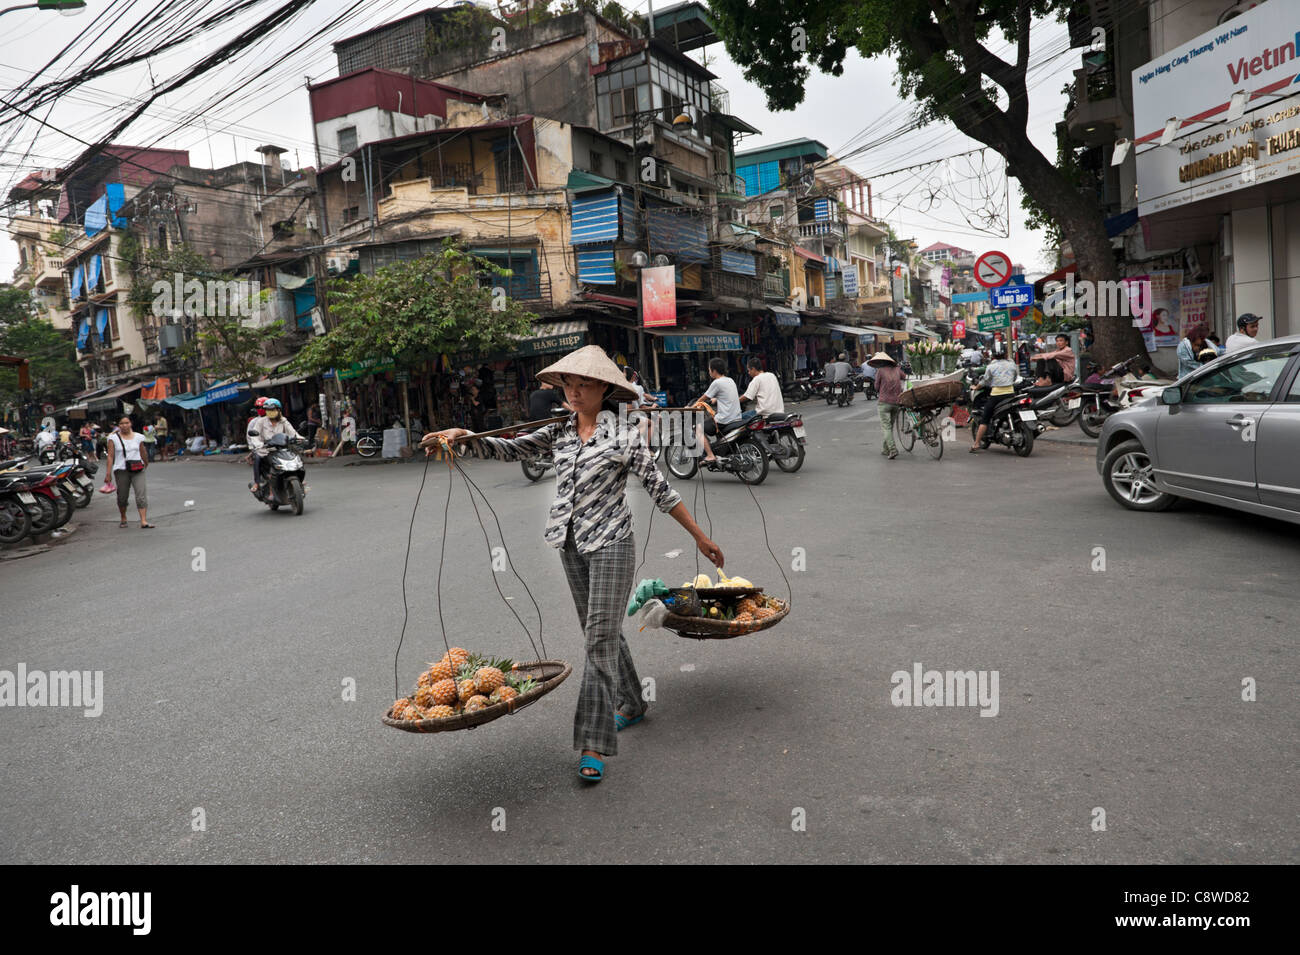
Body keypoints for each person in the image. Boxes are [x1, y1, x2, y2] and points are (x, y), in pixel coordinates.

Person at [420, 345, 723, 784]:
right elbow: (512, 451)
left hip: (613, 545)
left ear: (605, 389)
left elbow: (661, 491)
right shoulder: (558, 431)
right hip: (570, 545)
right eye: (569, 384)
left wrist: (700, 536)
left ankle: (591, 742)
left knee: (596, 642)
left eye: (584, 385)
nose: (575, 392)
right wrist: (462, 437)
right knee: (599, 633)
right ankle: (633, 703)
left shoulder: (624, 436)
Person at [105, 415, 154, 528]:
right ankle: (123, 517)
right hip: (121, 470)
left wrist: (145, 463)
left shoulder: (139, 437)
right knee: (122, 496)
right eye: (122, 423)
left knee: (141, 495)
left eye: (127, 423)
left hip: (138, 469)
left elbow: (143, 452)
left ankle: (143, 520)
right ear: (119, 425)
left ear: (130, 423)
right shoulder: (113, 438)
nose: (124, 425)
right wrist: (108, 473)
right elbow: (110, 456)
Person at [692, 357, 742, 466]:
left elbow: (703, 398)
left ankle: (710, 455)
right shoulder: (730, 380)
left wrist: (692, 406)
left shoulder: (717, 383)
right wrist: (716, 399)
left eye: (709, 369)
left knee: (697, 428)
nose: (709, 372)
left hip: (724, 419)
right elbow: (725, 395)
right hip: (736, 417)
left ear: (714, 371)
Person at [246, 398, 301, 496]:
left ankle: (299, 481)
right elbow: (255, 436)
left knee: (296, 457)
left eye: (273, 410)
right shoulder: (261, 422)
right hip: (266, 449)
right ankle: (257, 483)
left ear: (279, 410)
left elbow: (292, 432)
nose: (270, 412)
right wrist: (259, 445)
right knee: (258, 458)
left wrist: (300, 439)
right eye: (268, 410)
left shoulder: (284, 421)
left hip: (282, 448)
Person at [969, 351, 1018, 453]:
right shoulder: (1012, 364)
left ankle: (976, 443)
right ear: (1005, 354)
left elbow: (985, 381)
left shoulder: (991, 366)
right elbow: (1014, 377)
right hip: (1011, 394)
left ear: (993, 356)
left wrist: (975, 387)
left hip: (996, 396)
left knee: (985, 418)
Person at [869, 351, 906, 460]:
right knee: (889, 427)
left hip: (884, 402)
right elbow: (905, 377)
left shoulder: (880, 371)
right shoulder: (897, 369)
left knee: (886, 427)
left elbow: (876, 387)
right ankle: (885, 449)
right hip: (896, 402)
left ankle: (893, 449)